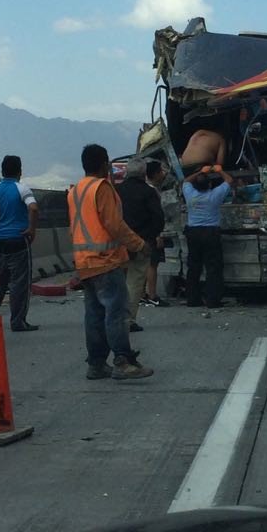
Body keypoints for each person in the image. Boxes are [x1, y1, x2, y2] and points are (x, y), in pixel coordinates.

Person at [68, 144, 153, 381]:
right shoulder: (101, 188)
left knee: (94, 315)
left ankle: (96, 364)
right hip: (106, 261)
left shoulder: (75, 191)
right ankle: (123, 361)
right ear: (104, 164)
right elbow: (114, 225)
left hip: (85, 263)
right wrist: (139, 244)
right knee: (116, 312)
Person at [115, 157, 164, 332]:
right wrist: (152, 237)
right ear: (144, 173)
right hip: (142, 243)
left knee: (118, 282)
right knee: (135, 283)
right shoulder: (149, 192)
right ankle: (128, 320)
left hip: (119, 244)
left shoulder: (117, 191)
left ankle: (115, 317)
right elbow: (158, 218)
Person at [0, 155, 39, 333]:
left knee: (0, 282)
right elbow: (33, 208)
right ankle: (18, 321)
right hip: (18, 240)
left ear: (2, 170)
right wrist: (31, 229)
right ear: (20, 171)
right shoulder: (22, 188)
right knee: (20, 283)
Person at [182, 165, 233, 308]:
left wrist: (200, 171)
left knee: (193, 267)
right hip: (211, 233)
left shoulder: (190, 194)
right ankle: (213, 300)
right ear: (210, 184)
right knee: (213, 267)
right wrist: (219, 170)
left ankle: (192, 299)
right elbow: (229, 180)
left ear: (195, 186)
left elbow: (185, 181)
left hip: (193, 232)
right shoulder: (215, 195)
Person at [140, 160, 169, 307]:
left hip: (142, 233)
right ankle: (152, 295)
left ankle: (142, 294)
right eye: (161, 171)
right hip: (152, 234)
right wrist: (158, 234)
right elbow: (155, 215)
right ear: (156, 174)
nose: (164, 174)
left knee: (144, 265)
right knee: (152, 264)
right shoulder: (152, 191)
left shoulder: (143, 189)